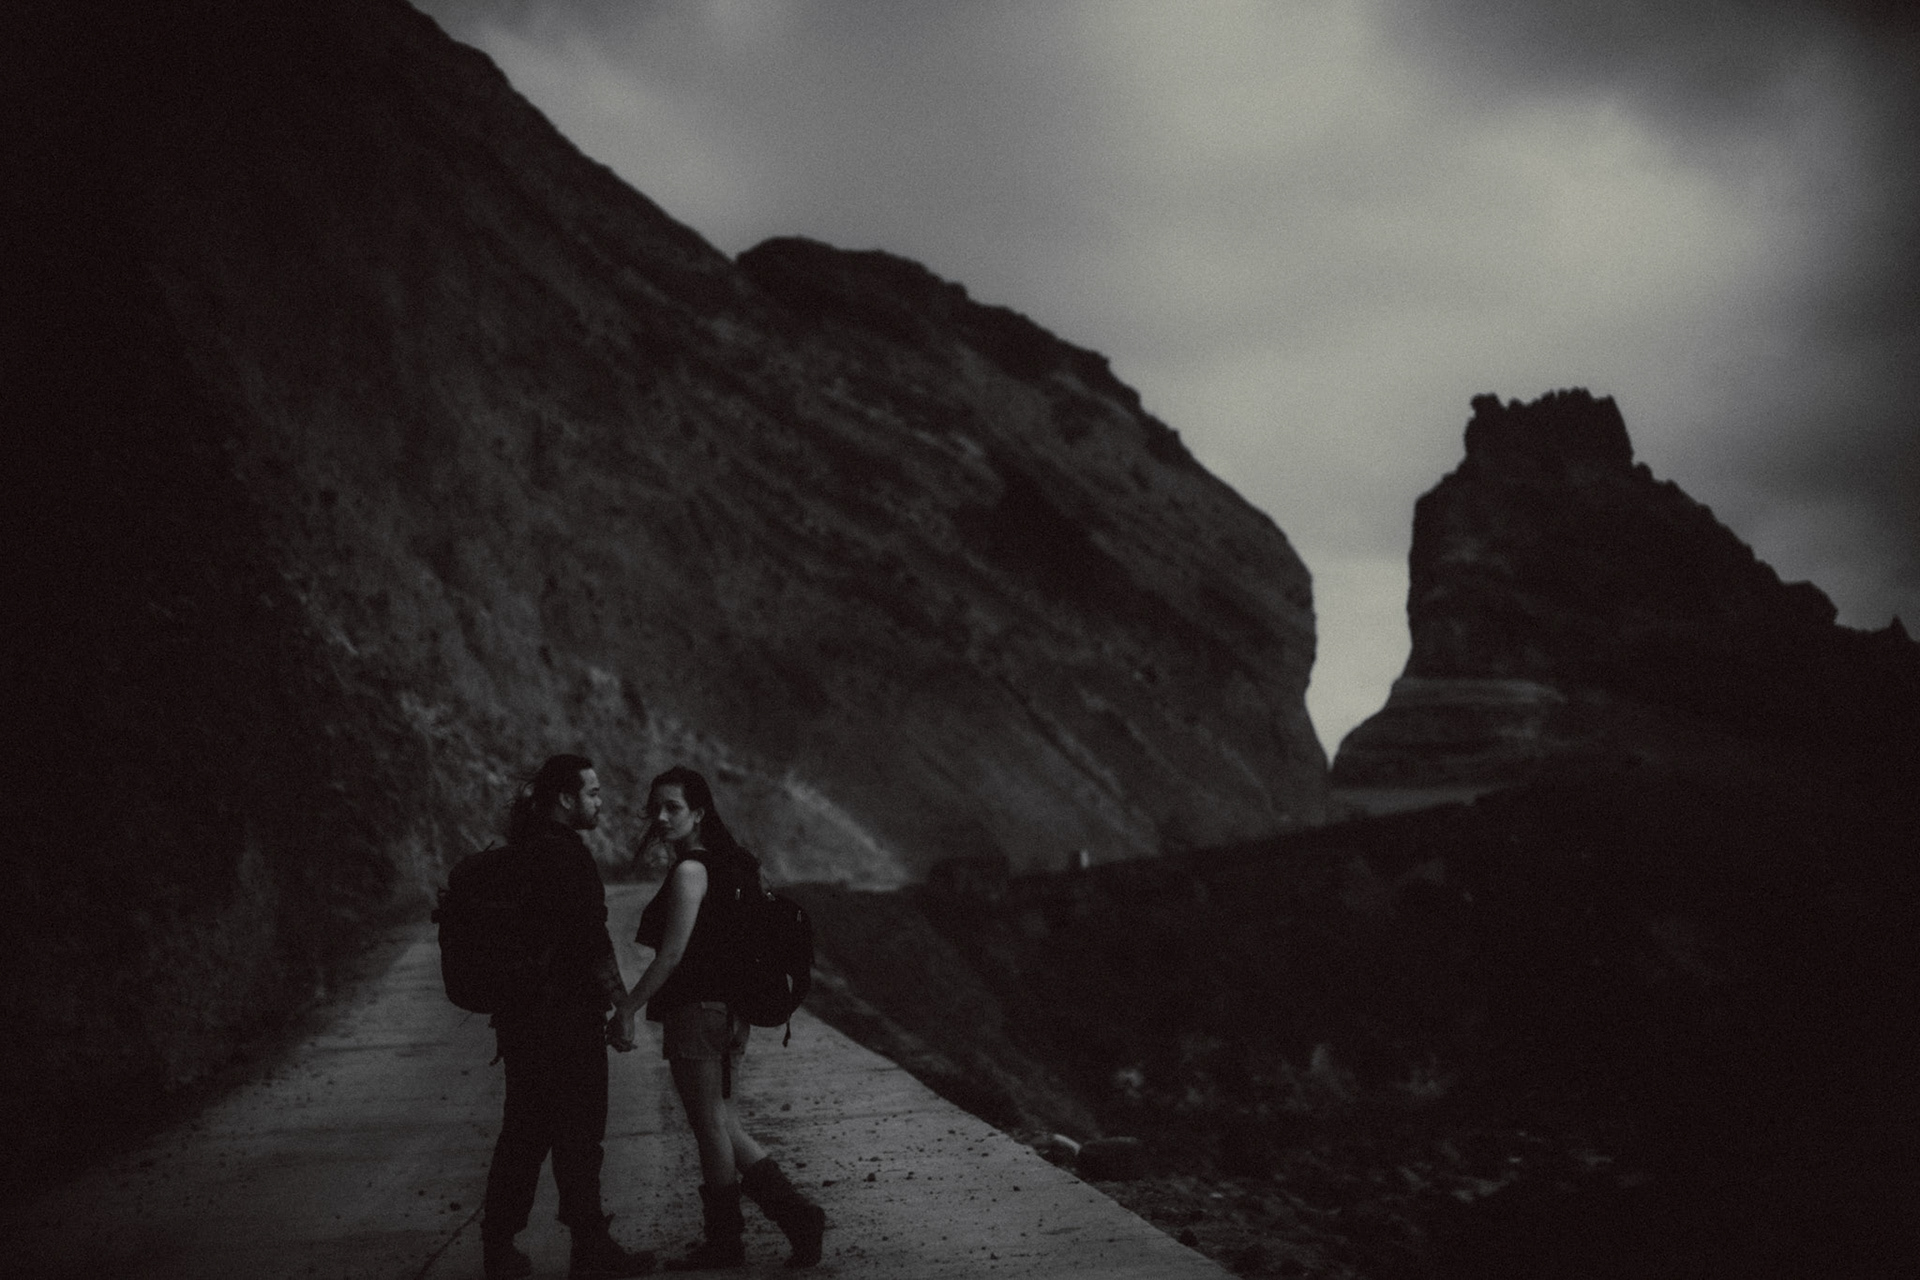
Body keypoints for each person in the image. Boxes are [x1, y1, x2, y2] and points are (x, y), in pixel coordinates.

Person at [607, 766, 827, 1271]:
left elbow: (671, 955)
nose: (660, 817)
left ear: (699, 812)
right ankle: (797, 1218)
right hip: (731, 1015)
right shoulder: (733, 865)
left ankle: (727, 1241)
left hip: (697, 1013)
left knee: (708, 1126)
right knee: (723, 1121)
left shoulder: (691, 871)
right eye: (655, 807)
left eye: (673, 808)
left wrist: (627, 1008)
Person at [480, 754, 656, 1280]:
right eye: (593, 793)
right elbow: (591, 940)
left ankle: (498, 1249)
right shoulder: (567, 857)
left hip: (520, 1020)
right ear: (565, 799)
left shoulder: (523, 851)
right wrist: (623, 1007)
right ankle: (590, 1249)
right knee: (579, 1133)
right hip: (565, 1020)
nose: (601, 801)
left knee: (524, 1133)